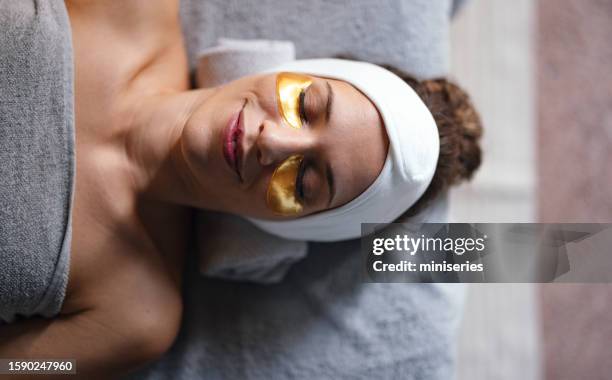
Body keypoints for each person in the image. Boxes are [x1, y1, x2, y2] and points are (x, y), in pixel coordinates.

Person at [0, 0, 482, 377]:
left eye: (306, 180)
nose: (272, 141)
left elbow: (18, 368)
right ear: (290, 69)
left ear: (295, 226)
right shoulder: (132, 10)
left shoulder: (137, 315)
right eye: (305, 105)